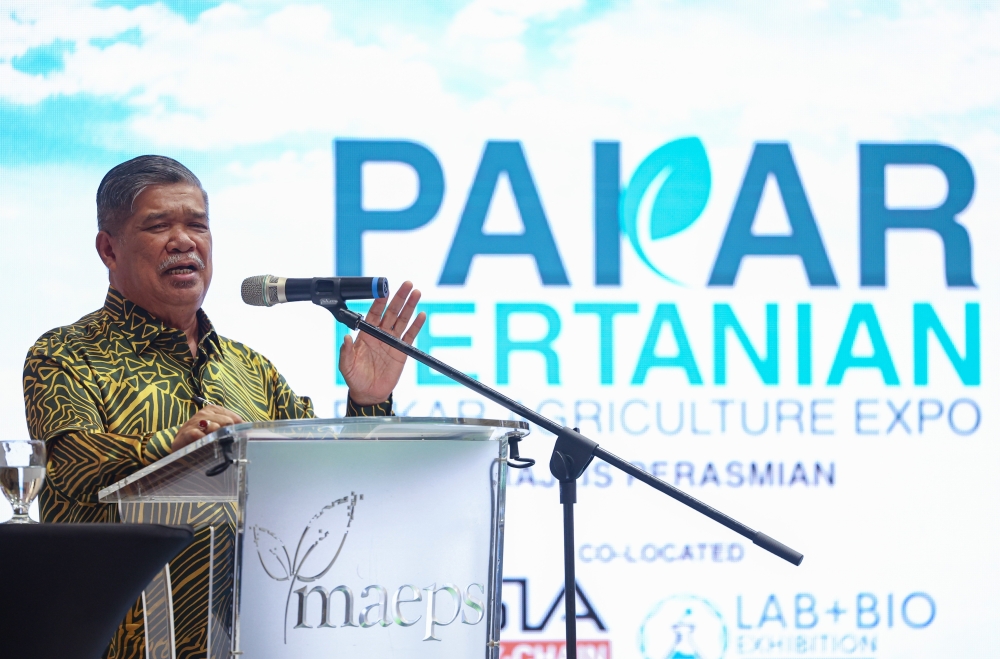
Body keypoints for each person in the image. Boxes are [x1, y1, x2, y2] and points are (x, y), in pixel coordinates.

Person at [22, 155, 426, 659]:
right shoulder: (66, 354)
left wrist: (368, 402)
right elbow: (68, 466)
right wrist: (171, 446)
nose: (185, 240)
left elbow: (330, 487)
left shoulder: (251, 370)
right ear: (108, 248)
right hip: (110, 644)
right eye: (158, 226)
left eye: (197, 225)